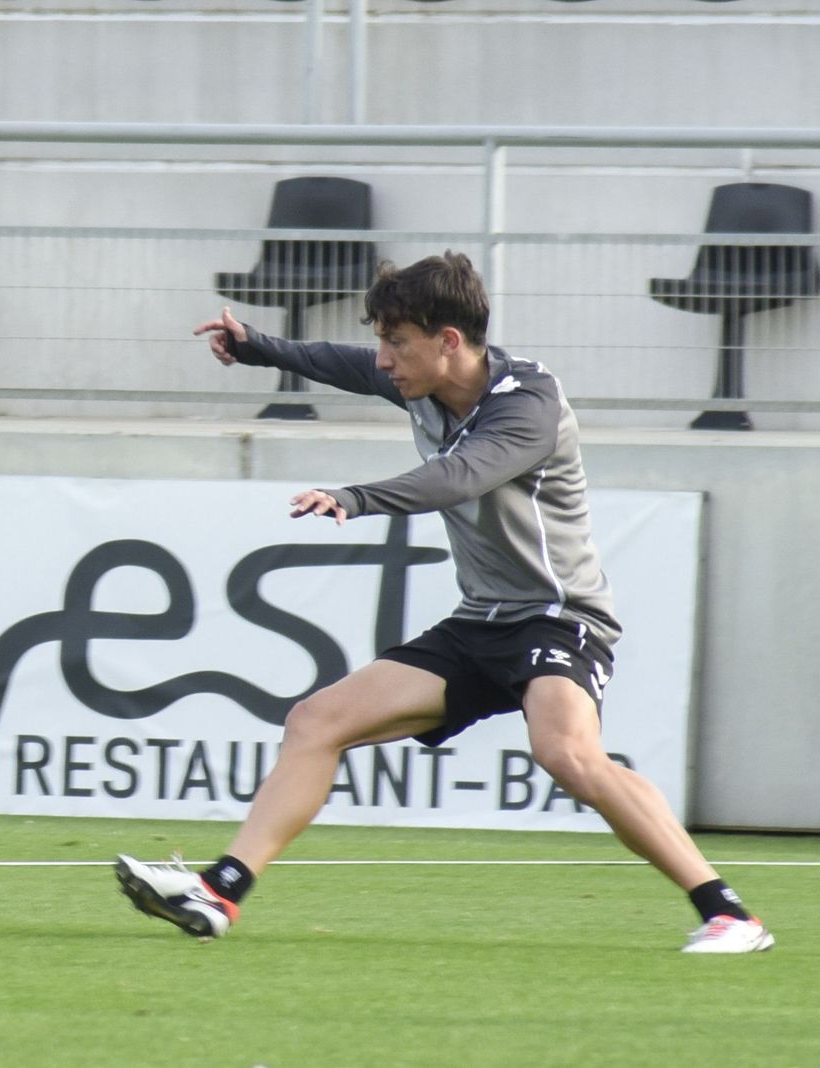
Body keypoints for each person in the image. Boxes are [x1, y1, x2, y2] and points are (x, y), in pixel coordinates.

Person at [115, 252, 772, 954]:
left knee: (567, 755)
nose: (383, 359)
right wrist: (255, 347)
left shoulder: (528, 404)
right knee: (317, 721)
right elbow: (341, 363)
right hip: (479, 621)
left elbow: (457, 478)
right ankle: (220, 893)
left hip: (559, 617)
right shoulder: (420, 380)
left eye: (395, 343)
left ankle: (729, 914)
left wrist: (353, 498)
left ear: (448, 341)